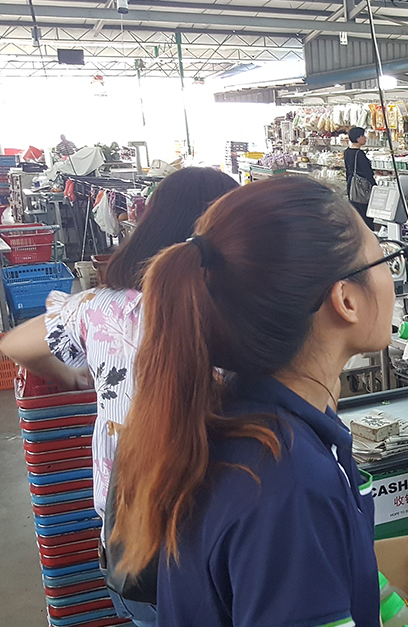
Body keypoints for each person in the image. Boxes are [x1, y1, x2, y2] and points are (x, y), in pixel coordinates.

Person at [108, 176, 394, 627]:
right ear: (346, 299)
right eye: (385, 260)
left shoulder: (237, 423)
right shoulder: (289, 484)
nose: (390, 279)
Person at [0, 167, 239, 626]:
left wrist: (72, 374)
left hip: (134, 547)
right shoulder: (241, 321)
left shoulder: (99, 308)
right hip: (226, 537)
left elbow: (15, 343)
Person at [344, 126, 376, 225]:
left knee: (357, 214)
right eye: (363, 136)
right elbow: (367, 173)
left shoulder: (347, 152)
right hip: (361, 188)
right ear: (358, 138)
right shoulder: (359, 154)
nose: (365, 138)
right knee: (366, 214)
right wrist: (374, 186)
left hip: (352, 186)